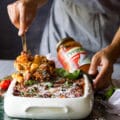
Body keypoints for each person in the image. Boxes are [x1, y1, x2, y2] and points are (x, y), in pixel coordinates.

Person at [7, 0, 120, 91]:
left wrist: (114, 50)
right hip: (62, 36)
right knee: (43, 87)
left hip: (112, 38)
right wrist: (30, 1)